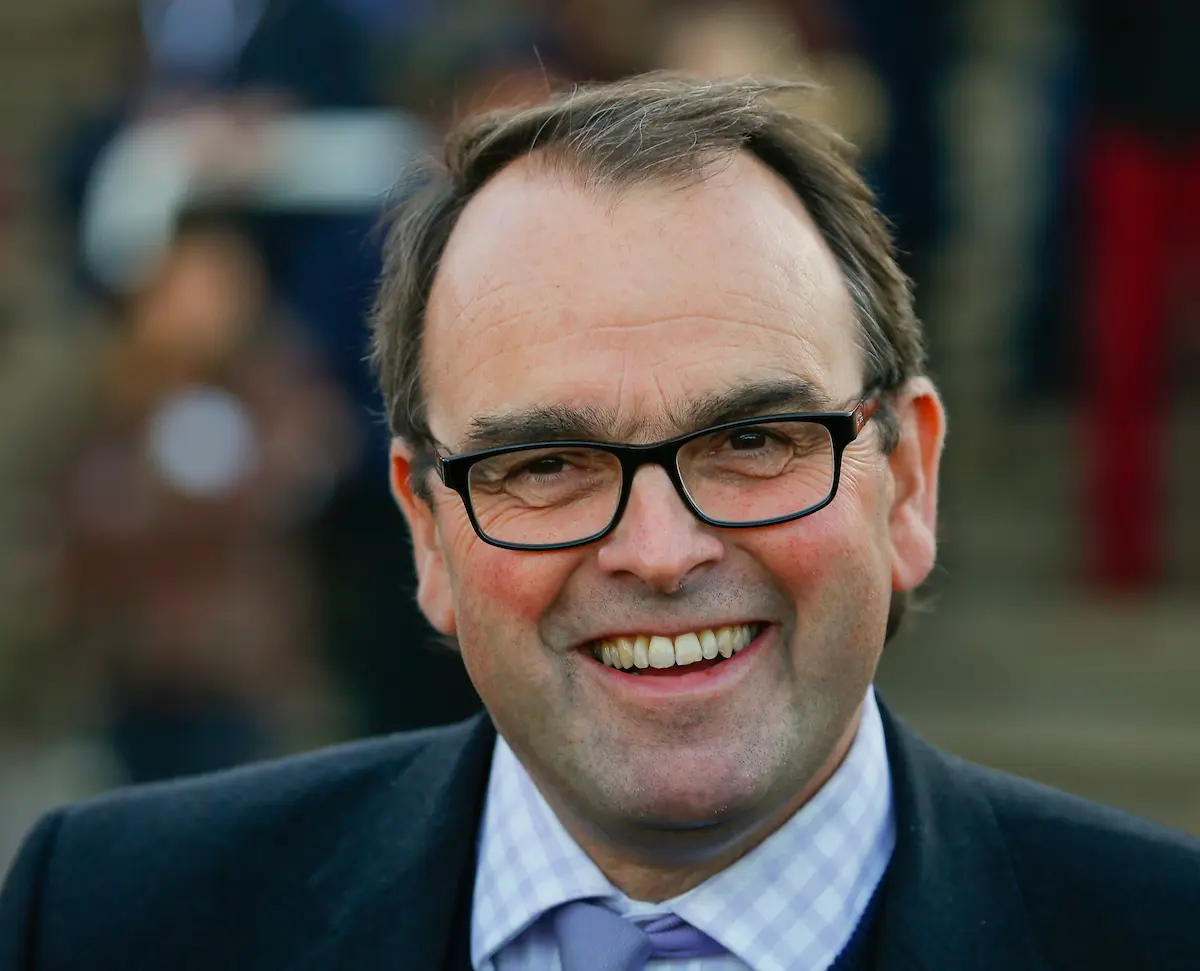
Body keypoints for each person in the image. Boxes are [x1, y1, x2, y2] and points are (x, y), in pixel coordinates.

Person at [2, 74, 1198, 971]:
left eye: (753, 441)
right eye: (548, 464)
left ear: (910, 481)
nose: (660, 552)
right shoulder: (109, 918)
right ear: (426, 529)